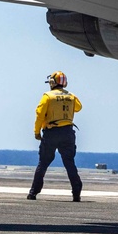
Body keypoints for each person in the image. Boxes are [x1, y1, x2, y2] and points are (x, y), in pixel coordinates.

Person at [27, 71, 83, 202]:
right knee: (69, 163)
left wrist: (36, 132)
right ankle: (76, 193)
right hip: (68, 133)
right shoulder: (72, 96)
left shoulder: (47, 96)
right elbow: (79, 108)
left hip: (51, 133)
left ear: (53, 82)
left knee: (43, 163)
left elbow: (40, 115)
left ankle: (33, 192)